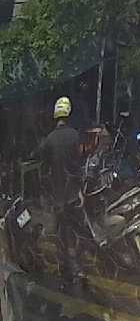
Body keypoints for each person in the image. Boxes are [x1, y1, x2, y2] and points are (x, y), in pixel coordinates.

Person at [33, 97, 84, 288]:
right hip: (75, 193)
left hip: (59, 196)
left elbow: (42, 164)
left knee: (62, 234)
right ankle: (78, 267)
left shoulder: (49, 139)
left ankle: (68, 270)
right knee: (78, 230)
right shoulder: (75, 135)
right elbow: (79, 161)